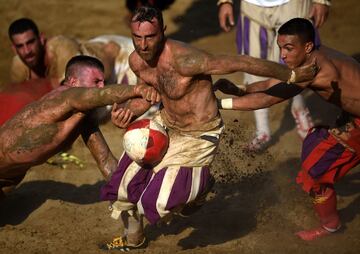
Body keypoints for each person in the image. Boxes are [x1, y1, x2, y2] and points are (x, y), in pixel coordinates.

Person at [99, 6, 317, 251]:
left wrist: (291, 74)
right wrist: (130, 110)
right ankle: (133, 240)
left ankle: (200, 188)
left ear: (163, 32)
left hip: (198, 134)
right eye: (137, 37)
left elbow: (241, 62)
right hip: (164, 124)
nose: (143, 45)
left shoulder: (187, 60)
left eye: (150, 36)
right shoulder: (137, 60)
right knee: (124, 188)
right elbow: (148, 95)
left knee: (160, 200)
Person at [215, 18, 360, 241]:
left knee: (315, 171)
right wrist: (242, 89)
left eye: (288, 48)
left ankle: (330, 226)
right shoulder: (314, 56)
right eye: (281, 47)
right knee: (315, 151)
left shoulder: (315, 70)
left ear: (308, 46)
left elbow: (267, 99)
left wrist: (219, 105)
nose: (282, 54)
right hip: (353, 117)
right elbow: (277, 80)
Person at [0, 55, 159, 199]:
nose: (102, 86)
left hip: (10, 177)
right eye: (96, 82)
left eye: (103, 82)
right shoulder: (67, 95)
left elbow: (105, 162)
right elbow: (104, 95)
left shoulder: (84, 116)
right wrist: (139, 89)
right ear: (74, 82)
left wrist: (132, 191)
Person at [217, 0, 331, 151]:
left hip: (293, 5)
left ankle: (300, 110)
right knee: (254, 66)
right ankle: (263, 130)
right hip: (253, 7)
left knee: (297, 64)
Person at [8, 18, 81, 88]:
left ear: (41, 39)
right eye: (20, 46)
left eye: (30, 42)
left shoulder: (63, 48)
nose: (27, 51)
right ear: (14, 49)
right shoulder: (18, 66)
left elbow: (74, 88)